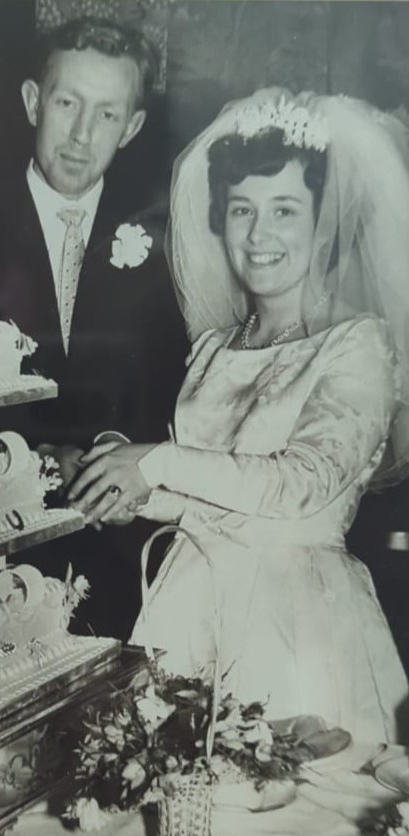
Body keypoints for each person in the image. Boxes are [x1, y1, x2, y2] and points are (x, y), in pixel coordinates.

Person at [68, 88, 409, 743]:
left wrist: (155, 461)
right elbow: (207, 499)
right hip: (188, 604)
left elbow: (298, 482)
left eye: (285, 210)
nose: (259, 235)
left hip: (297, 625)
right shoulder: (214, 348)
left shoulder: (359, 344)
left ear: (324, 221)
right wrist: (125, 488)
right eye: (241, 211)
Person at [0, 17, 188, 640]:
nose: (80, 134)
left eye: (107, 114)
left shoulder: (165, 240)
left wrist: (111, 452)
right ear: (33, 101)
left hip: (119, 557)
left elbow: (176, 386)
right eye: (67, 103)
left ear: (133, 128)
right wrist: (39, 458)